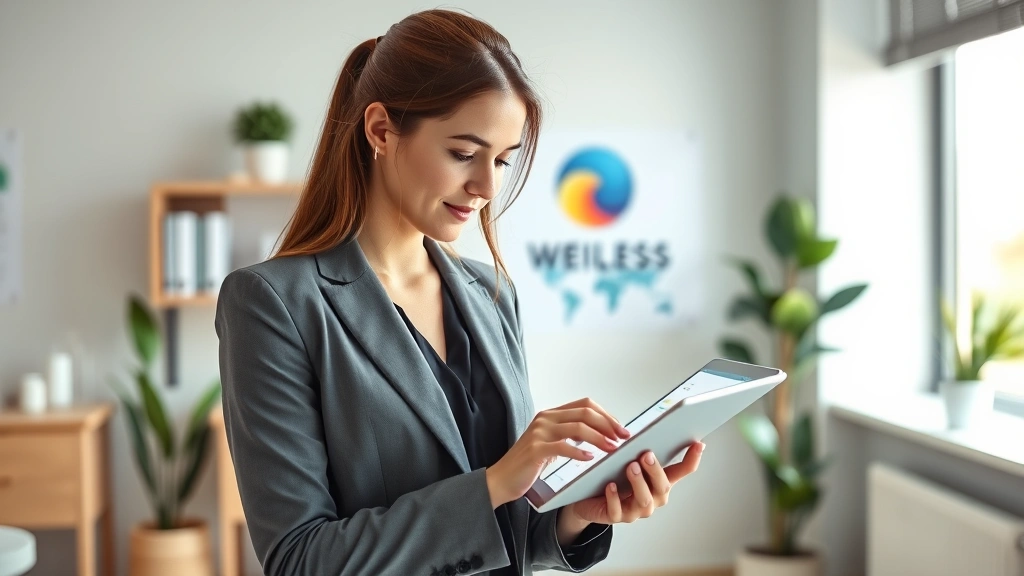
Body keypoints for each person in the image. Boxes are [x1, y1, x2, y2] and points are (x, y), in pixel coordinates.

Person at [215, 9, 706, 576]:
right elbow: (299, 560)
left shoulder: (491, 294)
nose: (487, 186)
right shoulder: (272, 304)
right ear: (380, 130)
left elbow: (506, 535)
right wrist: (494, 483)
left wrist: (577, 516)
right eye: (464, 154)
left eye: (502, 160)